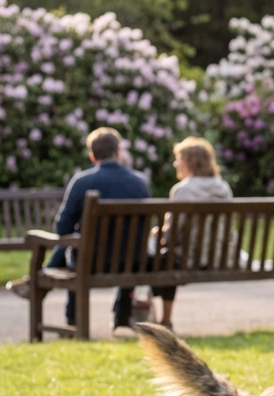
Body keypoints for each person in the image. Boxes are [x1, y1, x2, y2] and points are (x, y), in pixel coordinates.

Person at [5, 128, 150, 330]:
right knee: (91, 245)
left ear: (92, 156)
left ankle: (71, 317)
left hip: (89, 262)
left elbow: (62, 228)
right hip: (131, 261)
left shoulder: (83, 181)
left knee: (73, 243)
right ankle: (121, 315)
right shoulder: (140, 183)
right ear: (118, 153)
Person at [150, 137, 235, 330]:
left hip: (188, 259)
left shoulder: (183, 190)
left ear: (189, 162)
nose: (175, 164)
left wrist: (158, 234)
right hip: (219, 257)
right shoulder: (224, 188)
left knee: (159, 260)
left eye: (178, 159)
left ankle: (163, 318)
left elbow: (170, 237)